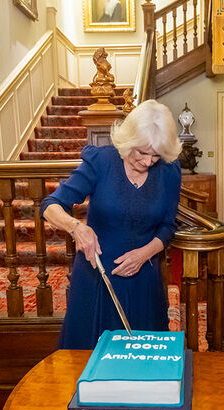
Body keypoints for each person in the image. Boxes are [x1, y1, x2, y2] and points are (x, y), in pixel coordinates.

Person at [40, 99, 182, 349]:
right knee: (87, 358)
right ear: (129, 141)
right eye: (142, 152)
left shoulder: (169, 171)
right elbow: (51, 205)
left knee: (143, 362)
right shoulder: (101, 162)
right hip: (97, 278)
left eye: (156, 155)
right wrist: (77, 228)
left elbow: (168, 226)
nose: (149, 161)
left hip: (143, 279)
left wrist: (143, 254)